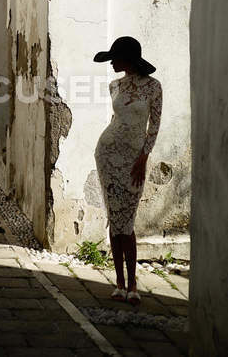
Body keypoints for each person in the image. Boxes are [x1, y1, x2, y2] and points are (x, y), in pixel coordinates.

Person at [93, 36, 162, 305]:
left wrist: (143, 157)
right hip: (108, 155)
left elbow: (153, 126)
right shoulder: (115, 86)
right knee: (114, 217)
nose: (111, 63)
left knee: (127, 221)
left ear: (128, 59)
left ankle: (133, 283)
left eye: (115, 58)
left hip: (135, 160)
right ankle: (119, 282)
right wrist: (110, 149)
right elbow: (116, 121)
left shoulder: (154, 88)